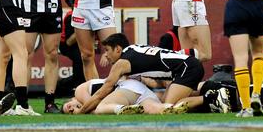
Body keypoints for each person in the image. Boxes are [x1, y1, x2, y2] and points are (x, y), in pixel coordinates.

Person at [75, 33, 204, 114]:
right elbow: (155, 77)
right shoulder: (133, 49)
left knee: (168, 108)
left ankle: (209, 99)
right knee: (164, 102)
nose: (106, 55)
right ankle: (209, 93)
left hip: (187, 67)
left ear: (118, 49)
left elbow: (102, 92)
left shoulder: (122, 63)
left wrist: (82, 111)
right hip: (186, 66)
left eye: (107, 50)